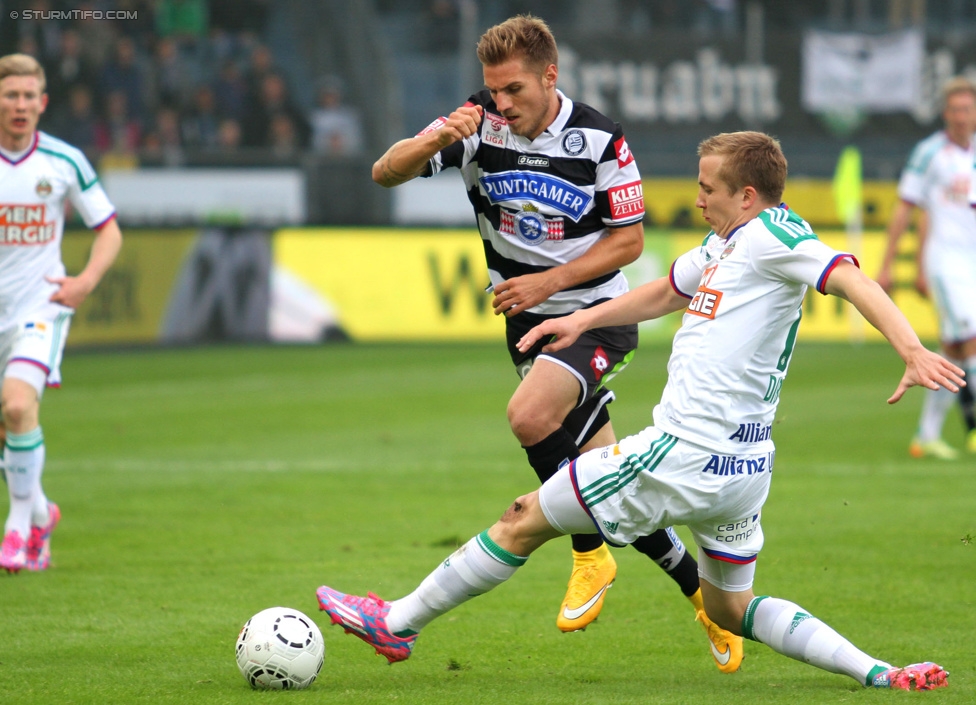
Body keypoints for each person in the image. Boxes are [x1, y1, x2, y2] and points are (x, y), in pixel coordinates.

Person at [317, 131, 956, 691]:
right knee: (729, 610)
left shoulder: (773, 235)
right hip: (743, 470)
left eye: (710, 189)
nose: (699, 198)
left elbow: (851, 278)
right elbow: (661, 291)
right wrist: (583, 321)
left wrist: (910, 348)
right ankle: (880, 672)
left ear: (749, 197)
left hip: (682, 452)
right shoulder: (726, 245)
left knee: (522, 519)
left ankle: (395, 623)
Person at [368, 14, 742, 670]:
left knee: (529, 416)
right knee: (609, 479)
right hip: (527, 326)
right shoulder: (478, 125)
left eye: (513, 89)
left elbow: (628, 240)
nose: (501, 103)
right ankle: (703, 598)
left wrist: (548, 283)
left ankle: (589, 552)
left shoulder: (599, 138)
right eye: (492, 90)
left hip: (597, 311)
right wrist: (432, 137)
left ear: (550, 75)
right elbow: (384, 173)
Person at [0, 54, 123, 573]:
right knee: (9, 428)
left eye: (29, 96)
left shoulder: (64, 161)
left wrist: (84, 282)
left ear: (43, 102)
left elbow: (109, 229)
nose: (21, 104)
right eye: (11, 95)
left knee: (16, 407)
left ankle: (15, 528)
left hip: (40, 305)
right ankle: (42, 514)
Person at [877, 76, 976, 459]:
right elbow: (906, 206)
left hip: (971, 262)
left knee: (952, 348)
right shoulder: (929, 152)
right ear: (945, 113)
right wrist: (889, 264)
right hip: (945, 262)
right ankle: (972, 428)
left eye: (967, 109)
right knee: (971, 338)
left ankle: (926, 435)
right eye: (954, 109)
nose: (961, 116)